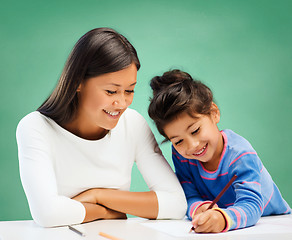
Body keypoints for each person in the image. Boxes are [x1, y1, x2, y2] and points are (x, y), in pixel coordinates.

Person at [16, 28, 187, 228]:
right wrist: (106, 212)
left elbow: (176, 204)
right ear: (78, 82)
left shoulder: (132, 124)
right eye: (111, 91)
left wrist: (97, 195)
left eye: (129, 90)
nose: (122, 103)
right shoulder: (36, 127)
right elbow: (47, 214)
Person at [148, 69, 291, 233]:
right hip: (232, 228)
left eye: (195, 130)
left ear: (214, 113)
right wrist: (198, 208)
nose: (192, 145)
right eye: (178, 141)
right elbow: (188, 195)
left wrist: (222, 219)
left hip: (274, 224)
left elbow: (252, 205)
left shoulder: (241, 155)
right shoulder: (182, 157)